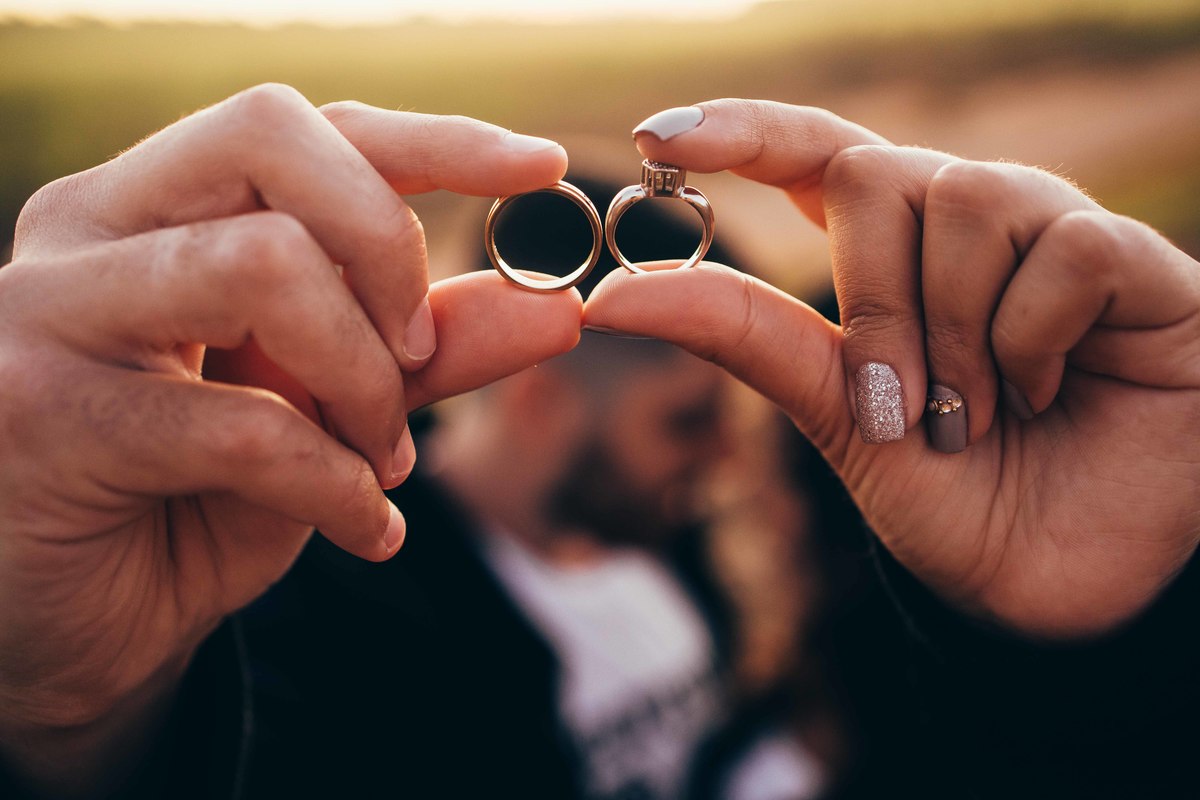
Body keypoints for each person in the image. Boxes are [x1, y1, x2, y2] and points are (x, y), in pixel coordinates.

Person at [0, 86, 1197, 798]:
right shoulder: (312, 608)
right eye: (686, 420)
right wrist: (74, 724)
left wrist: (1095, 644)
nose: (724, 465)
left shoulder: (727, 550)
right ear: (542, 389)